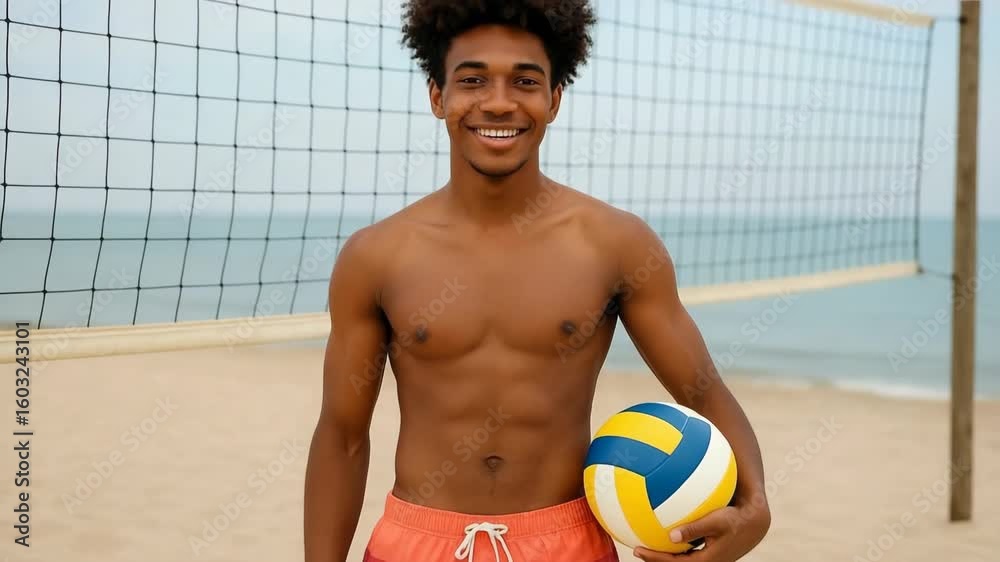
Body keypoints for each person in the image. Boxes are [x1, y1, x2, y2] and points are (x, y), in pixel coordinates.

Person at [303, 1, 770, 561]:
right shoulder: (376, 255)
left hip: (566, 543)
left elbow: (702, 389)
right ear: (438, 97)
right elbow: (343, 435)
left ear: (553, 99)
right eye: (472, 80)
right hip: (414, 542)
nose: (498, 102)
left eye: (524, 81)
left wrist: (757, 506)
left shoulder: (615, 243)